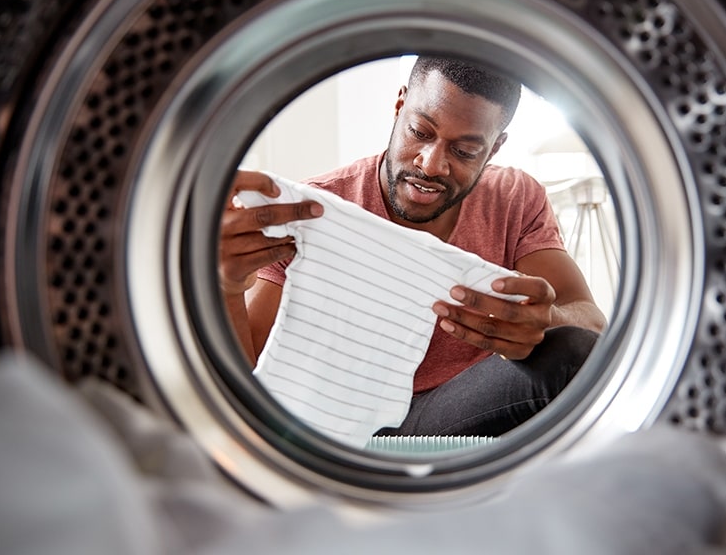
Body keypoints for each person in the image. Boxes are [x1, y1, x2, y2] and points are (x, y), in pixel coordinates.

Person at [220, 55, 607, 437]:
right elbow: (250, 373)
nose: (432, 164)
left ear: (493, 149)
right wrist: (228, 286)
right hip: (340, 417)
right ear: (400, 105)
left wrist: (546, 322)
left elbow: (591, 322)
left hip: (460, 408)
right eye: (420, 132)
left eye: (465, 152)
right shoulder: (314, 207)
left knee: (573, 349)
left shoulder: (514, 196)